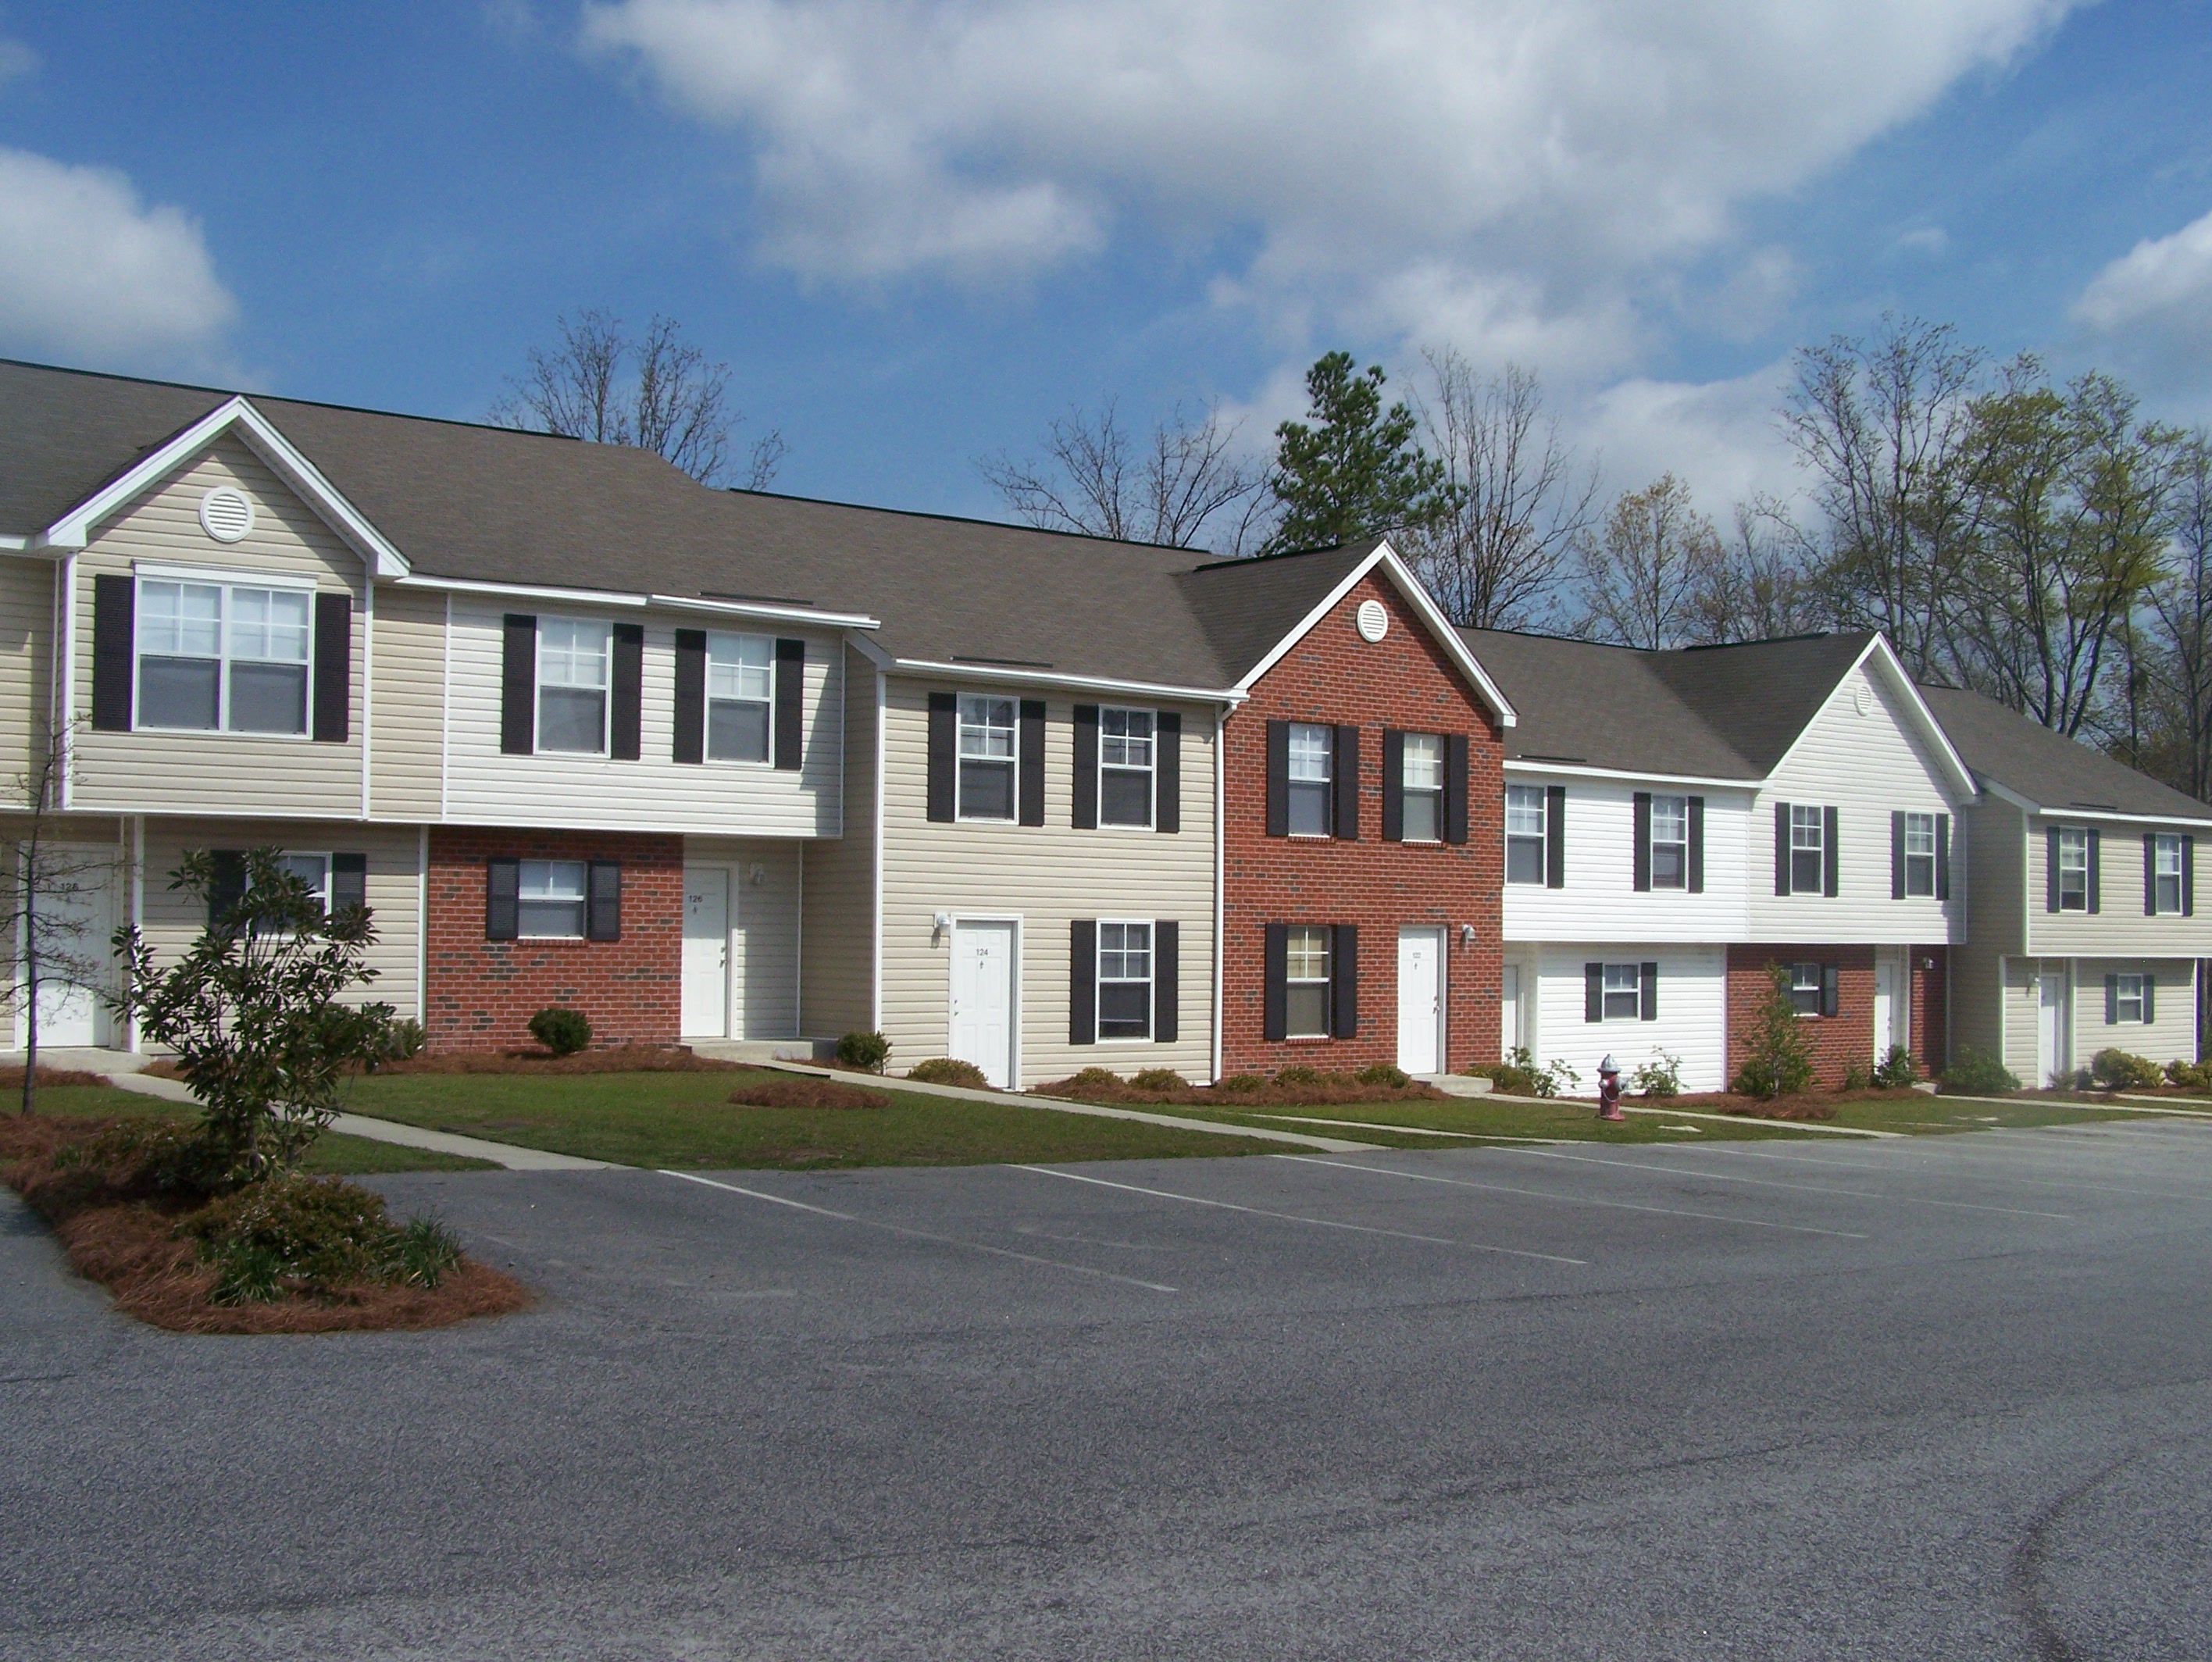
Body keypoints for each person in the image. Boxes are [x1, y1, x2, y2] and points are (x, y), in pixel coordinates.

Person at [1597, 1054, 1625, 1122]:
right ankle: (1608, 1113)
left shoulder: (1609, 1083)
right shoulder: (1606, 1083)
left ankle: (1611, 1113)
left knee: (1612, 1101)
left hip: (1610, 1094)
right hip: (1608, 1093)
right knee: (1608, 1101)